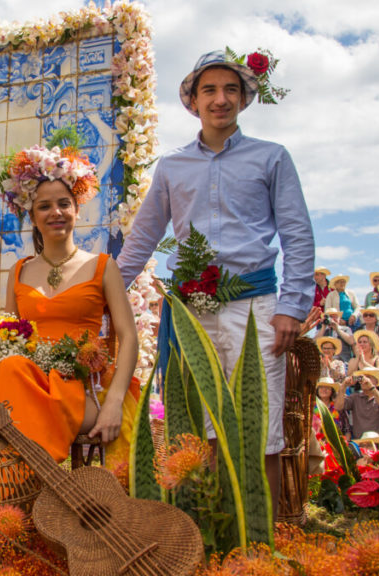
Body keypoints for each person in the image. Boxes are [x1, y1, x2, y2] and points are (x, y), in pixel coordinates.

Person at [116, 49, 314, 514]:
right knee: (195, 423)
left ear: (244, 99)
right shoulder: (172, 166)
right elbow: (142, 240)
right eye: (209, 90)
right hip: (191, 315)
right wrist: (98, 297)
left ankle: (258, 536)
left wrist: (292, 305)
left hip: (258, 308)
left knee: (260, 424)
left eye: (230, 90)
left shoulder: (272, 158)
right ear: (192, 101)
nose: (220, 99)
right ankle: (205, 528)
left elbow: (297, 232)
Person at [0, 140, 140, 463]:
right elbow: (7, 341)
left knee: (8, 396)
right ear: (32, 215)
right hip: (30, 384)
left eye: (64, 204)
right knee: (11, 368)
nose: (55, 212)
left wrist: (113, 401)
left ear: (77, 209)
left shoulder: (103, 267)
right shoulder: (19, 271)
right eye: (44, 206)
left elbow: (129, 337)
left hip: (84, 388)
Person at [344, 366, 379, 440]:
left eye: (369, 377)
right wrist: (344, 385)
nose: (365, 380)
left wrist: (372, 388)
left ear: (376, 382)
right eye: (363, 378)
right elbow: (338, 406)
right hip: (360, 441)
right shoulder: (355, 397)